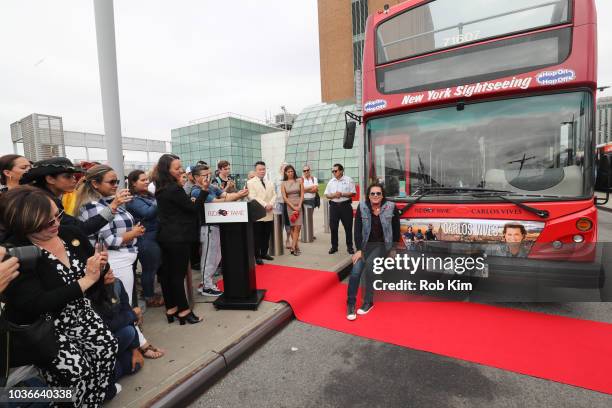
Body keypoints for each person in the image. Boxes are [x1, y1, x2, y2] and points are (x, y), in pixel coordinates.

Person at [0, 186, 119, 404]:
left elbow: (92, 265)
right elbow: (34, 304)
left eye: (58, 215)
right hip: (47, 327)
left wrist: (102, 271)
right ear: (24, 224)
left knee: (107, 349)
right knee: (75, 374)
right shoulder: (15, 252)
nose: (56, 224)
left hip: (82, 314)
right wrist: (87, 280)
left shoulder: (69, 233)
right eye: (47, 223)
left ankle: (93, 401)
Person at [75, 164, 145, 305]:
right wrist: (133, 233)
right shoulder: (93, 206)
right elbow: (109, 241)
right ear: (95, 183)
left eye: (117, 181)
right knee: (123, 305)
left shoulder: (105, 202)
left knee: (126, 303)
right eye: (111, 182)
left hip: (121, 259)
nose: (115, 185)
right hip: (115, 260)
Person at [20, 157, 128, 237]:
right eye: (67, 176)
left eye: (73, 176)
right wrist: (113, 206)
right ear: (50, 179)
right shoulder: (41, 200)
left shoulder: (44, 196)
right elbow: (81, 229)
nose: (74, 180)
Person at [154, 154, 204, 324]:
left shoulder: (161, 188)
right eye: (177, 168)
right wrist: (203, 191)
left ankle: (171, 309)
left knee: (167, 275)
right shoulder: (174, 189)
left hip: (165, 236)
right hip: (178, 238)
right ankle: (183, 311)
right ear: (166, 170)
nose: (181, 170)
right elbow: (192, 209)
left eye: (180, 167)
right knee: (177, 275)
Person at [191, 165, 247, 296]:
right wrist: (233, 196)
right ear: (196, 177)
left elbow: (226, 195)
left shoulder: (211, 187)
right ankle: (206, 285)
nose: (208, 177)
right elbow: (216, 202)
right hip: (207, 226)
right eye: (205, 175)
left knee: (216, 256)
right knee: (209, 257)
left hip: (216, 225)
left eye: (209, 174)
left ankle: (207, 282)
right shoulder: (196, 191)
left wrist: (239, 194)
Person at [347, 183, 400, 320]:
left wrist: (393, 249)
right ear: (368, 195)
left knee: (370, 265)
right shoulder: (362, 207)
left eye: (378, 193)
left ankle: (368, 302)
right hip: (365, 246)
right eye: (372, 193)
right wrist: (358, 250)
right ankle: (350, 304)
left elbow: (396, 230)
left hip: (382, 246)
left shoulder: (391, 207)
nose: (375, 196)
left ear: (382, 195)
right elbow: (357, 230)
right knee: (355, 272)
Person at [126, 170, 164, 307]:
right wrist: (159, 199)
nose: (147, 182)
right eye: (142, 180)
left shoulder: (147, 195)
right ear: (133, 183)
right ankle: (149, 297)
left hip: (155, 236)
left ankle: (148, 292)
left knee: (154, 266)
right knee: (149, 269)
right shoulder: (132, 200)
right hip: (145, 238)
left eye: (147, 179)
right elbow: (147, 213)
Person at [247, 161, 277, 265]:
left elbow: (274, 195)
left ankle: (264, 253)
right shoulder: (250, 182)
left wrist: (271, 204)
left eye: (263, 169)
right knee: (257, 236)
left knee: (266, 234)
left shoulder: (269, 182)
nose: (262, 171)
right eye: (260, 169)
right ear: (256, 171)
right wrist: (265, 205)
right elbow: (253, 196)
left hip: (269, 212)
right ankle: (257, 256)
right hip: (258, 213)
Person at [324, 163, 356, 254]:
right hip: (334, 207)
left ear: (341, 171)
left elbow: (353, 193)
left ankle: (350, 247)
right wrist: (334, 195)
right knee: (333, 228)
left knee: (348, 227)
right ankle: (334, 246)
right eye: (332, 171)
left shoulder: (349, 180)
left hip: (345, 206)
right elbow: (326, 194)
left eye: (335, 171)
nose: (334, 172)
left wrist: (342, 194)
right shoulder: (331, 182)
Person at [281, 165, 304, 256]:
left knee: (298, 227)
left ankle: (293, 247)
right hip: (289, 206)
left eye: (291, 171)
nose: (290, 173)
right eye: (288, 172)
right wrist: (293, 207)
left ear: (294, 172)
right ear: (285, 173)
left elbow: (302, 194)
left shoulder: (299, 181)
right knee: (292, 227)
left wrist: (299, 205)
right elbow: (284, 197)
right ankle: (296, 247)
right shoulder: (283, 183)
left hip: (299, 205)